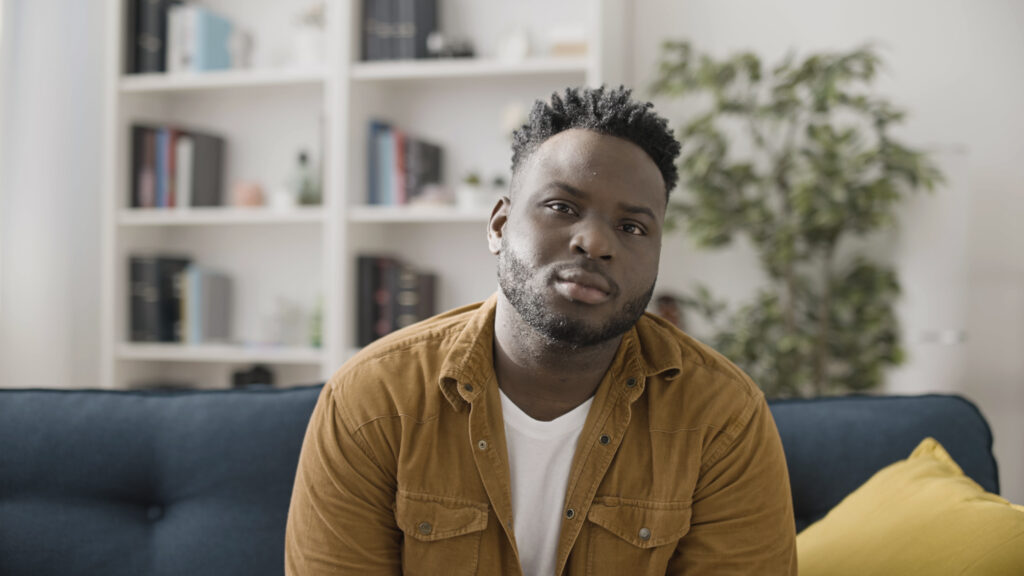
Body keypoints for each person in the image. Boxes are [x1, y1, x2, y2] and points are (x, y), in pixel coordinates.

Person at [285, 86, 797, 575]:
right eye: (562, 207)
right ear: (499, 227)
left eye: (632, 227)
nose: (594, 242)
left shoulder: (723, 419)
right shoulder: (372, 402)